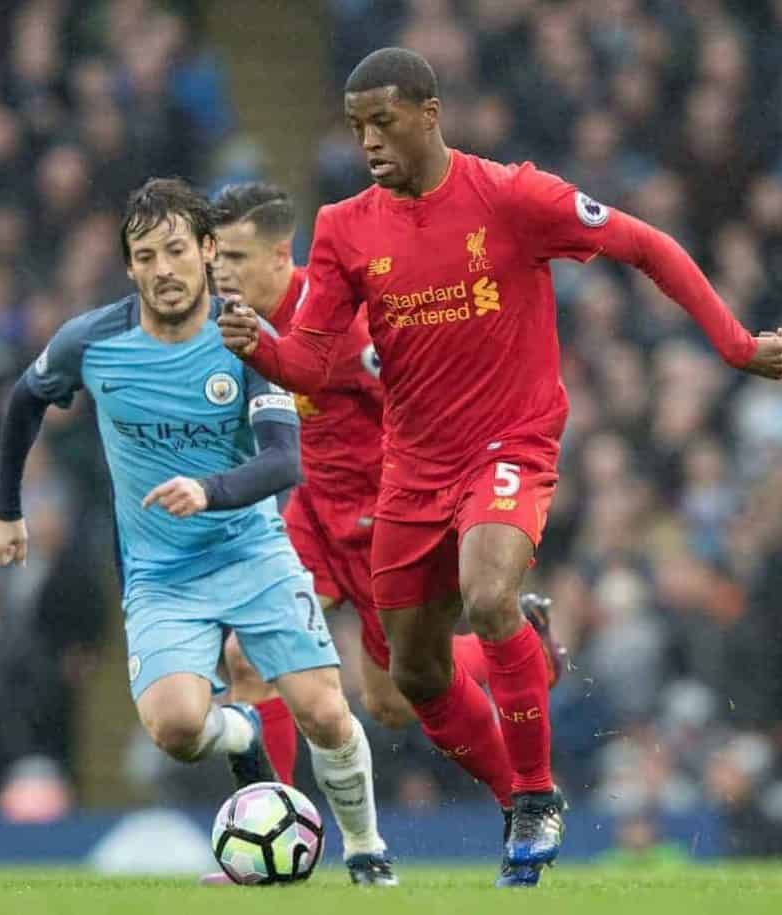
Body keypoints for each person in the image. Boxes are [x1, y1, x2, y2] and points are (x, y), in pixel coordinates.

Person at [219, 48, 782, 887]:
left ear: (430, 112)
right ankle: (514, 794)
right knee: (410, 680)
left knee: (489, 590)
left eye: (383, 122)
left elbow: (645, 243)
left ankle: (538, 789)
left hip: (510, 440)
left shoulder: (512, 196)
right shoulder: (348, 225)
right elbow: (314, 363)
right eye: (357, 128)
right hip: (413, 466)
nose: (369, 142)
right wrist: (266, 352)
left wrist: (734, 342)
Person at [0, 178, 396, 886]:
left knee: (326, 711)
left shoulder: (247, 338)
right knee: (174, 729)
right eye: (147, 256)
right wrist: (6, 507)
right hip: (162, 575)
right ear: (131, 267)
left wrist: (208, 490)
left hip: (255, 553)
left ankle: (364, 848)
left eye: (177, 249)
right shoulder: (93, 341)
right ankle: (240, 732)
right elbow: (25, 399)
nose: (164, 269)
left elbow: (282, 460)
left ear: (207, 251)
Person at [210, 181, 564, 783]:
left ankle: (525, 649)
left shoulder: (341, 330)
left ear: (280, 255)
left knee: (391, 702)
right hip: (313, 513)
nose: (222, 273)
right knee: (248, 656)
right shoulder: (232, 325)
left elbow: (425, 408)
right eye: (215, 256)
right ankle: (276, 822)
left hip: (382, 525)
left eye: (237, 258)